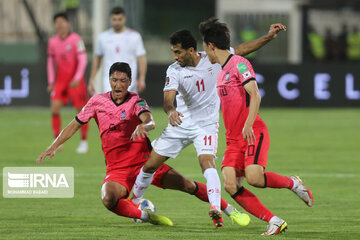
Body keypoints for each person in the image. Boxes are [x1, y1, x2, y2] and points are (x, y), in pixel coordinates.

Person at [37, 62, 246, 226]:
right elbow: (75, 123)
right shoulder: (96, 102)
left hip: (146, 164)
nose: (118, 85)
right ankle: (145, 216)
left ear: (130, 82)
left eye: (123, 81)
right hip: (117, 170)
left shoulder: (136, 101)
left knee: (189, 186)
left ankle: (229, 210)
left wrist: (144, 126)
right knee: (108, 198)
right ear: (109, 80)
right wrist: (54, 145)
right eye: (114, 80)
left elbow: (150, 119)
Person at [132, 23, 287, 228]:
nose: (175, 56)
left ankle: (215, 208)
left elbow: (243, 49)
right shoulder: (174, 70)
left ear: (190, 50)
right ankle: (134, 201)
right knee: (151, 165)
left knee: (207, 161)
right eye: (173, 52)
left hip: (206, 125)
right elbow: (168, 101)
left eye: (178, 52)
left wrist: (268, 37)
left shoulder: (213, 59)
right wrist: (171, 112)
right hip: (181, 123)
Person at [199, 18, 313, 235]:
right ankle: (275, 221)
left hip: (252, 132)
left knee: (254, 178)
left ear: (211, 46)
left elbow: (255, 94)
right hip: (233, 139)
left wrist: (248, 125)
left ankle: (293, 183)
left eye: (205, 47)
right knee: (230, 184)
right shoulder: (221, 72)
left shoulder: (239, 64)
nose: (206, 53)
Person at [47, 12, 89, 154]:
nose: (59, 25)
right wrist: (51, 81)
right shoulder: (53, 41)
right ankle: (57, 142)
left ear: (67, 23)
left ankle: (83, 141)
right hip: (61, 80)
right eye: (57, 22)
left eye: (62, 22)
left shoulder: (76, 39)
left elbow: (83, 60)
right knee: (55, 108)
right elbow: (50, 63)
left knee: (81, 111)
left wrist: (77, 77)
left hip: (75, 81)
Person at [88, 6, 146, 95]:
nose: (117, 22)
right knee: (110, 107)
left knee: (128, 107)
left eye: (119, 19)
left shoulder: (134, 36)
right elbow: (97, 60)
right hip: (109, 82)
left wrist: (142, 78)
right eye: (114, 19)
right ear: (110, 20)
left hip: (129, 82)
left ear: (124, 19)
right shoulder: (103, 37)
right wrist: (92, 79)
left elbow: (141, 58)